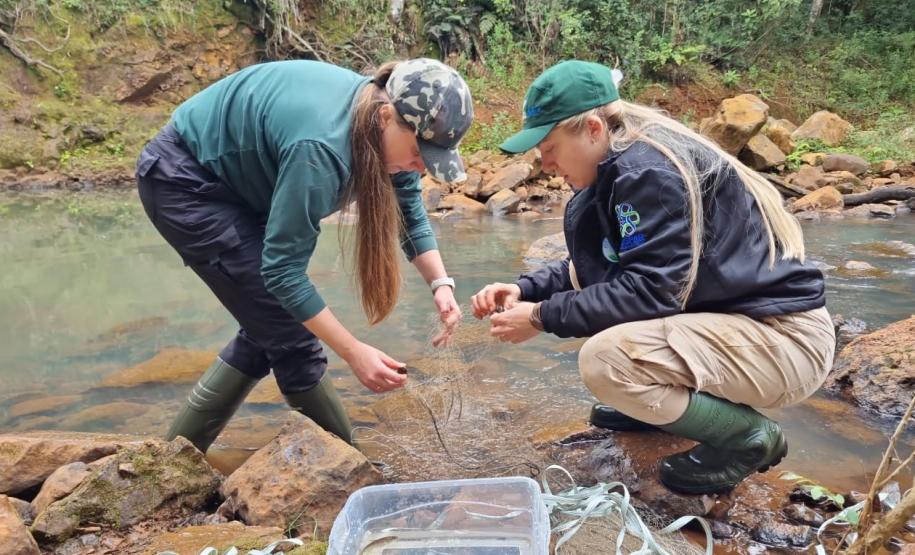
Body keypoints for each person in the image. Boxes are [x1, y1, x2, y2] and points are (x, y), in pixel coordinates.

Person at [471, 60, 835, 495]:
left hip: (783, 340)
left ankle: (746, 437)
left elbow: (650, 292)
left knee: (606, 359)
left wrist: (539, 317)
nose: (544, 163)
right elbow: (597, 265)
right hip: (744, 331)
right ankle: (658, 408)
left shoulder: (646, 172)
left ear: (592, 129)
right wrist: (524, 289)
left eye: (549, 147)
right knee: (613, 345)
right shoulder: (616, 172)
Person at [136, 58, 473, 453]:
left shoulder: (380, 122)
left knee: (268, 325)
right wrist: (354, 353)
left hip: (239, 186)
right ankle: (353, 471)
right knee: (292, 338)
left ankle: (173, 456)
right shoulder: (321, 150)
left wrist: (441, 285)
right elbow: (282, 272)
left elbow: (409, 212)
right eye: (420, 154)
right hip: (186, 182)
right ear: (386, 116)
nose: (421, 168)